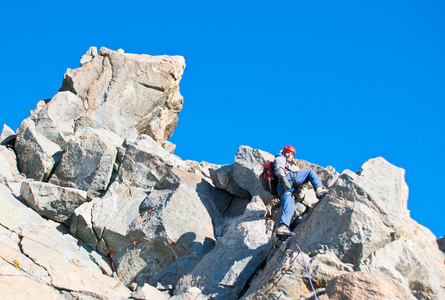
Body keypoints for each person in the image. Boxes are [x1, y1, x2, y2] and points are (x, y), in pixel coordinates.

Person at [274, 145, 329, 237]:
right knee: (310, 172)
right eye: (287, 152)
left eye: (291, 154)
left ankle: (283, 227)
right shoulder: (280, 158)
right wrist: (284, 180)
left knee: (289, 207)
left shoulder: (287, 163)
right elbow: (278, 169)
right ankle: (319, 189)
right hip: (286, 180)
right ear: (283, 152)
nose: (289, 155)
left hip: (283, 189)